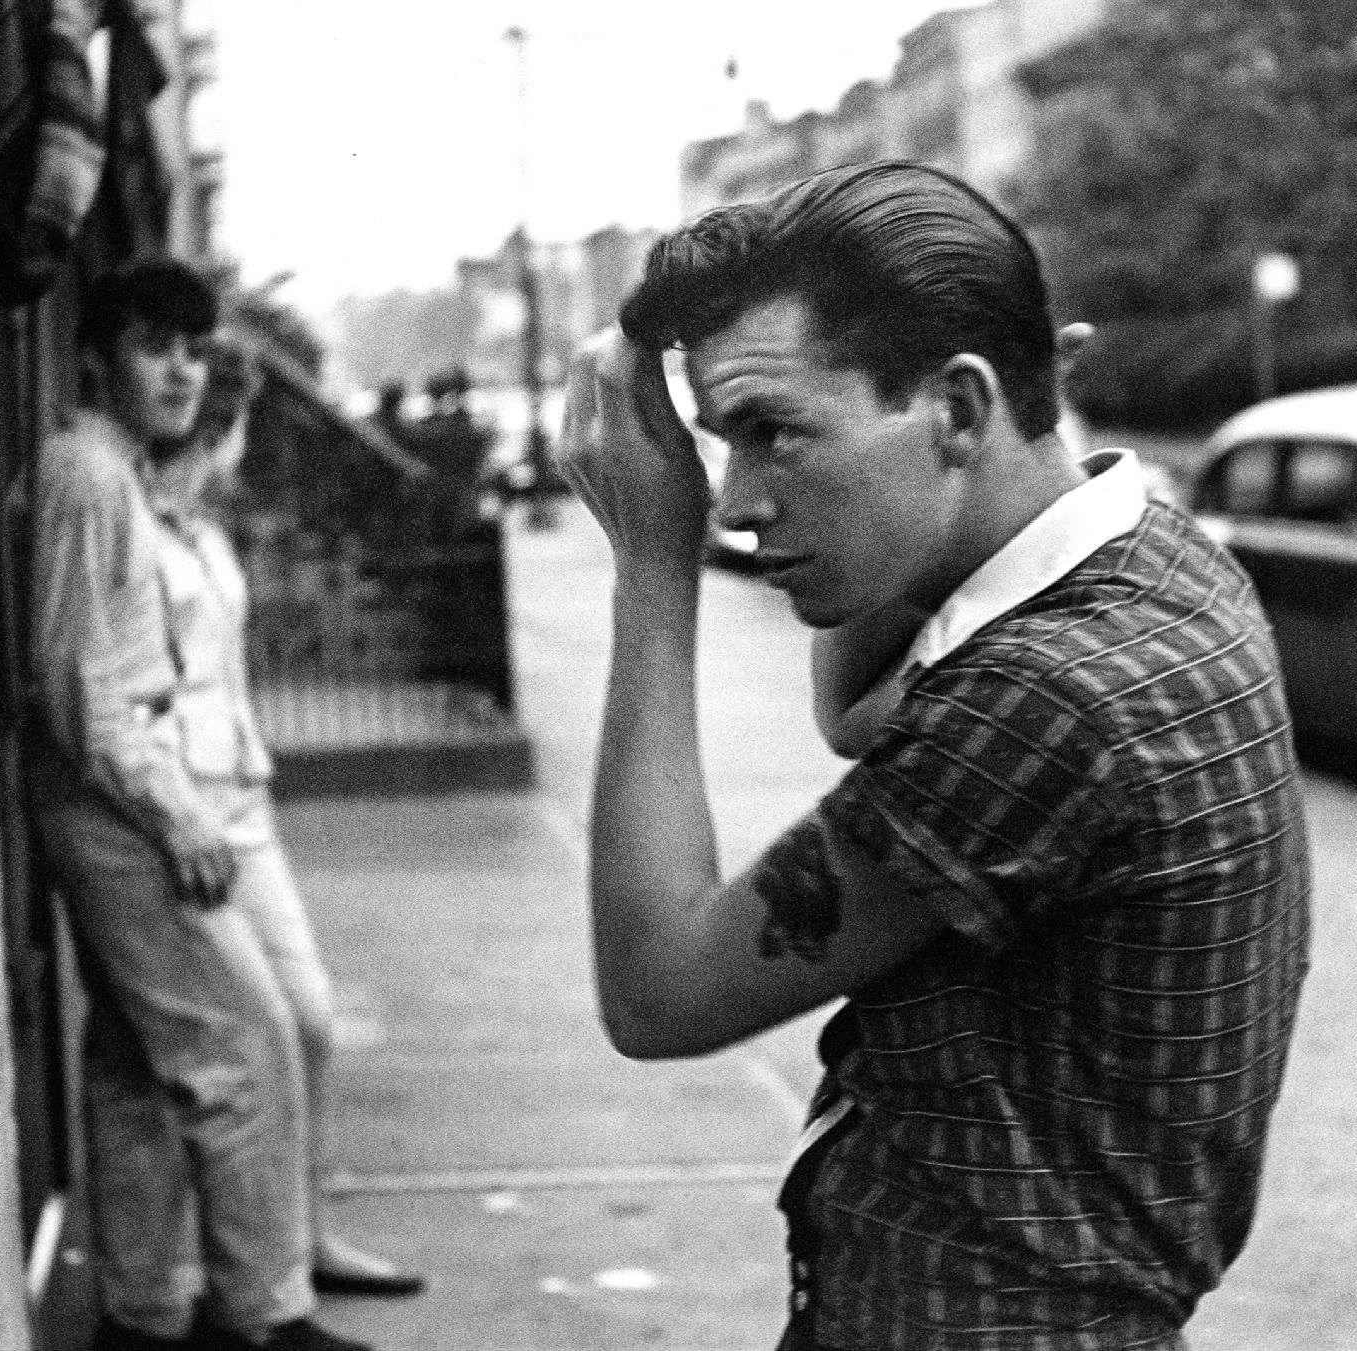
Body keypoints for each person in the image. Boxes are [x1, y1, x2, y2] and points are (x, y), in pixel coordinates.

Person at [554, 162, 1312, 1351]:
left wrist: (653, 564)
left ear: (957, 410)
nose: (736, 503)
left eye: (772, 435)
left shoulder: (1041, 700)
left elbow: (658, 992)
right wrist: (993, 418)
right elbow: (862, 713)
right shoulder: (1148, 562)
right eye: (718, 447)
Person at [24, 255, 380, 1351]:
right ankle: (265, 1314)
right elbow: (80, 679)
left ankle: (138, 1311)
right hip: (122, 800)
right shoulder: (87, 474)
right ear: (97, 355)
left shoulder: (115, 472)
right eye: (153, 348)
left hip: (129, 791)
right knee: (248, 1044)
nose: (179, 373)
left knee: (138, 1060)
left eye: (191, 350)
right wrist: (175, 813)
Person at [139, 335, 427, 1302]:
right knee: (248, 1033)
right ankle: (246, 1266)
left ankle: (301, 1236)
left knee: (304, 1018)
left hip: (243, 801)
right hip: (185, 812)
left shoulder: (206, 536)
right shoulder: (136, 527)